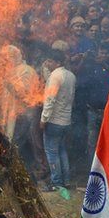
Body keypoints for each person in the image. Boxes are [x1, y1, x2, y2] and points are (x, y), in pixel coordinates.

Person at [40, 49, 75, 192]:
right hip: (66, 121)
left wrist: (43, 119)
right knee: (61, 150)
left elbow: (50, 100)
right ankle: (66, 181)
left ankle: (56, 183)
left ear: (57, 62)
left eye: (49, 61)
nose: (47, 63)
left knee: (51, 152)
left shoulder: (55, 76)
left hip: (54, 121)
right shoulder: (71, 75)